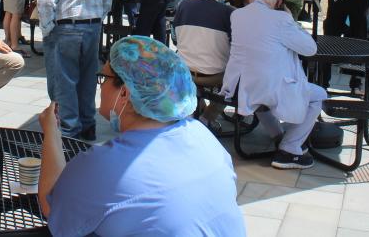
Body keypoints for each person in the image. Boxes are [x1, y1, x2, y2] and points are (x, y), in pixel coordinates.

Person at [38, 36, 244, 235]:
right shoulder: (202, 134)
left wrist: (51, 133)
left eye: (104, 78)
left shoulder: (106, 165)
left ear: (125, 93)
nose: (100, 86)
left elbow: (52, 207)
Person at [221, 0, 326, 170]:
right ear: (279, 0)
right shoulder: (281, 20)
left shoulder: (238, 15)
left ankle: (279, 136)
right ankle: (290, 148)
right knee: (319, 95)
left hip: (241, 85)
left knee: (260, 94)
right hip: (269, 87)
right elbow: (310, 49)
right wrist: (292, 21)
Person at [37, 0, 112, 140]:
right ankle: (88, 125)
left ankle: (69, 131)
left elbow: (45, 2)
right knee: (87, 78)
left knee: (65, 82)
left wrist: (48, 30)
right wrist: (97, 17)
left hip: (66, 27)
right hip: (92, 26)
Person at [171, 0, 232, 131]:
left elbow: (174, 38)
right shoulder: (228, 12)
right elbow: (236, 48)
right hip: (214, 75)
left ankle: (197, 113)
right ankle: (207, 118)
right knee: (237, 77)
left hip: (185, 71)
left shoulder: (183, 6)